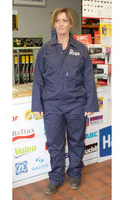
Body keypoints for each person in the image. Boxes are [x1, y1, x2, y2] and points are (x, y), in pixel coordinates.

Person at [31, 7, 99, 195]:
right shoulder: (45, 50)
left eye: (65, 20)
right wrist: (37, 104)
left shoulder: (81, 49)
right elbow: (38, 79)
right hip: (51, 104)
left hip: (76, 104)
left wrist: (90, 103)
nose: (61, 24)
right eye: (58, 20)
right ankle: (56, 177)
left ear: (71, 24)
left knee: (77, 141)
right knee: (55, 143)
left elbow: (88, 79)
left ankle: (75, 173)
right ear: (54, 24)